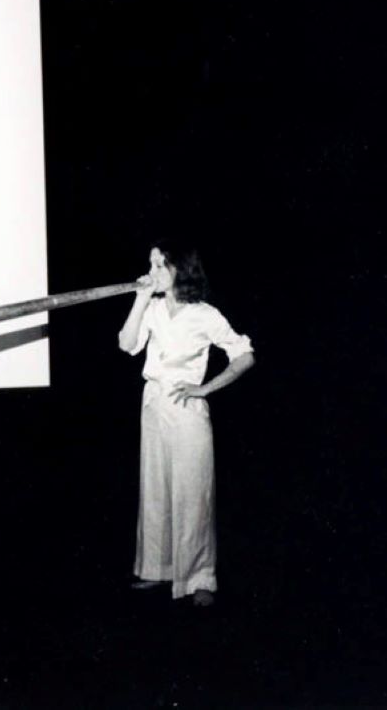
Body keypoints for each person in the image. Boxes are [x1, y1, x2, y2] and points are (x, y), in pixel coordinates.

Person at [117, 243, 256, 607]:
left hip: (187, 409)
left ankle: (200, 578)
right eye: (151, 262)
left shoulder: (205, 315)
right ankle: (157, 568)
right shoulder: (152, 308)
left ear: (180, 268)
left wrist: (203, 389)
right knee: (156, 489)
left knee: (193, 493)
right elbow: (127, 344)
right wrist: (140, 297)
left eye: (160, 263)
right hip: (153, 405)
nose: (153, 269)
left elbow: (244, 356)